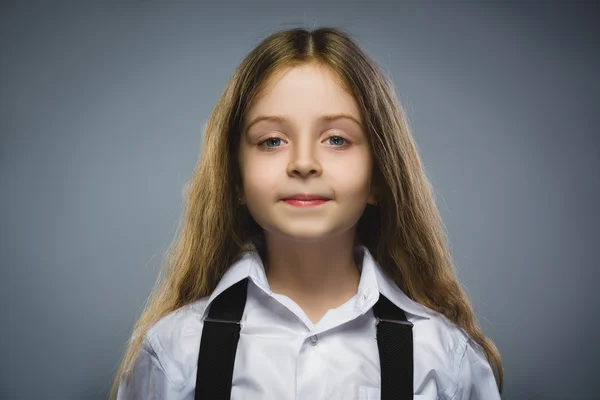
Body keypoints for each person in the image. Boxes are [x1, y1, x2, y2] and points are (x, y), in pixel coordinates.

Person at [111, 26, 503, 400]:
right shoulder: (175, 353)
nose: (303, 163)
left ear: (380, 176)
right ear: (234, 178)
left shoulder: (444, 356)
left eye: (336, 139)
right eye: (272, 141)